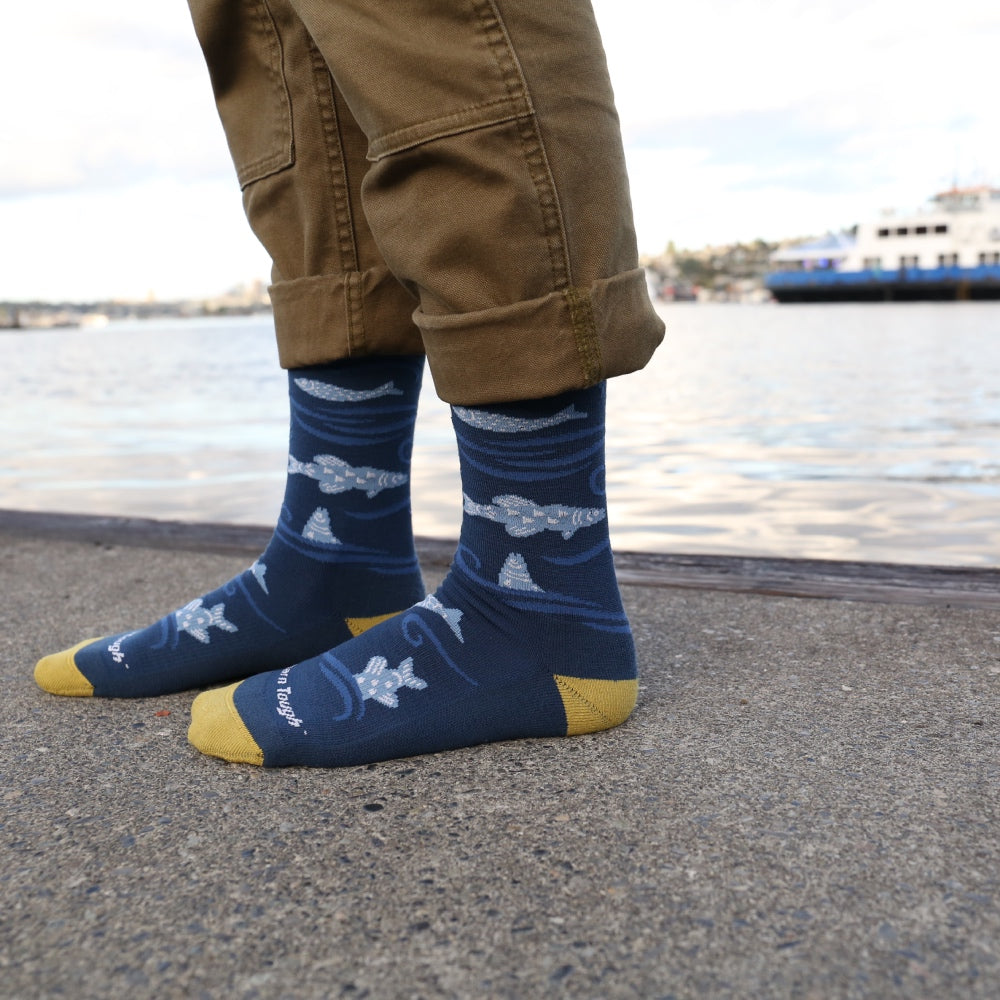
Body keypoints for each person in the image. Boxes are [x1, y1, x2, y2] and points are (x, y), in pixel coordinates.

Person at [34, 0, 664, 768]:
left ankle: (541, 615)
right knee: (291, 70)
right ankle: (336, 563)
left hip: (544, 620)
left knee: (444, 40)